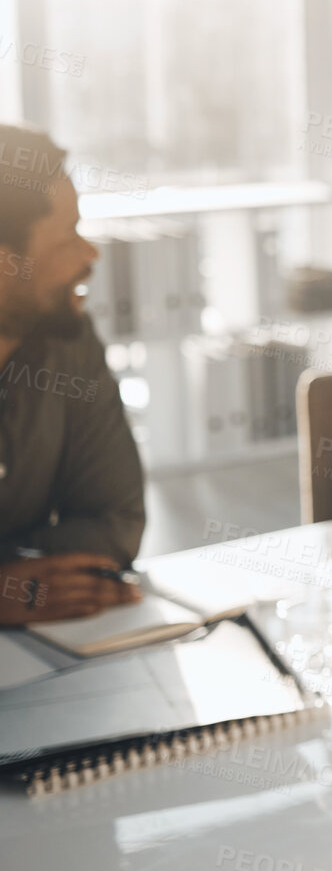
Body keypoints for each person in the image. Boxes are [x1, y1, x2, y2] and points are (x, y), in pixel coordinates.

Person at [0, 124, 146, 625]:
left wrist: (19, 579)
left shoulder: (69, 340)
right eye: (67, 237)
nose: (90, 255)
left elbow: (115, 522)